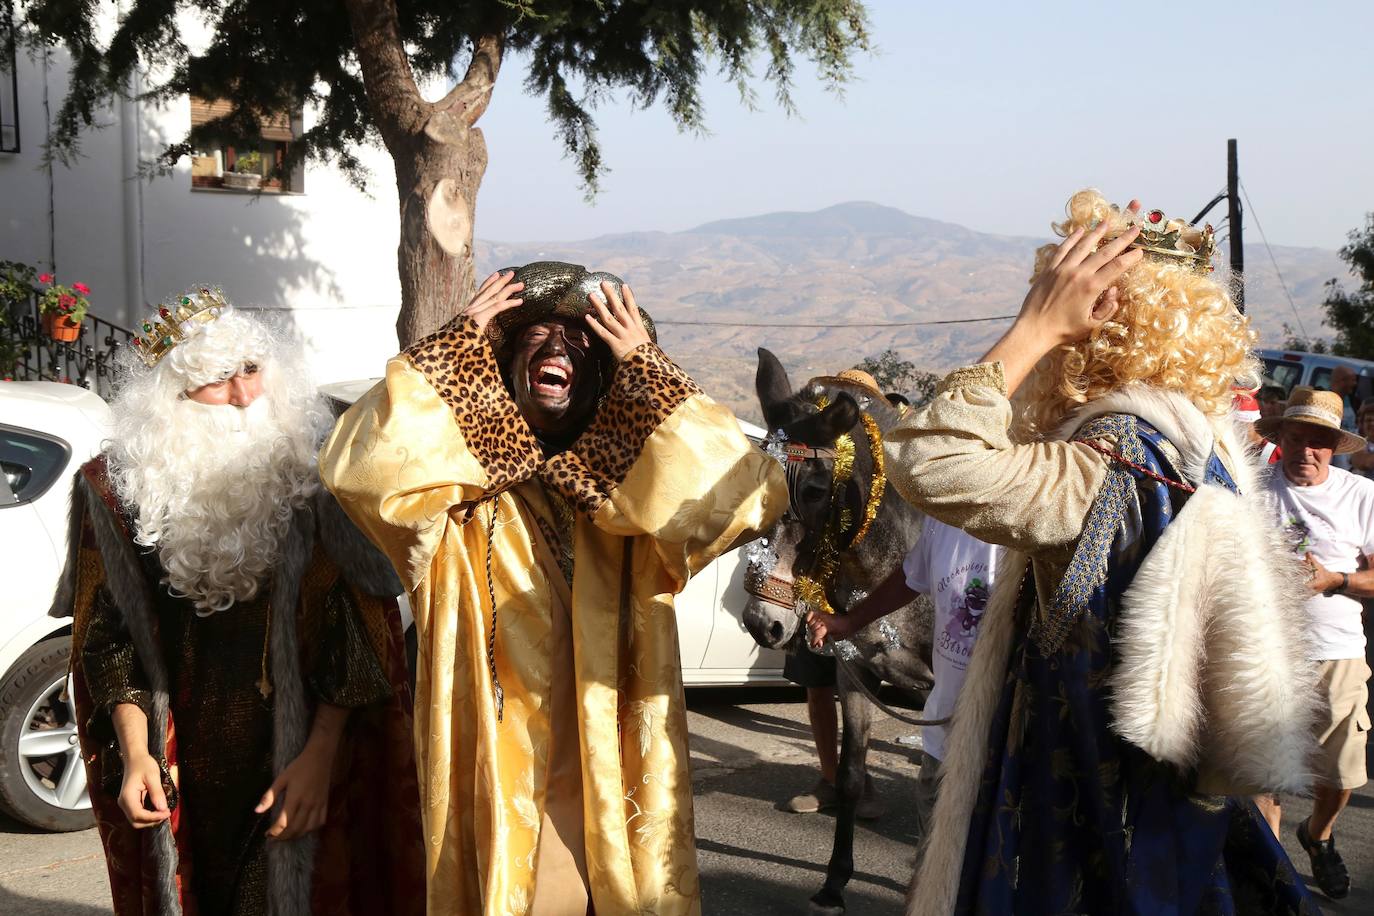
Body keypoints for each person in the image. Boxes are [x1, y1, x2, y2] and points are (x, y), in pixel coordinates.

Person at [888, 191, 1319, 916]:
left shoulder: (1109, 459)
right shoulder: (1201, 449)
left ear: (1097, 320)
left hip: (1089, 816)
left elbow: (929, 459)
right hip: (1171, 812)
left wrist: (1033, 330)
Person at [320, 262, 785, 915]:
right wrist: (458, 347)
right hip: (507, 787)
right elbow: (362, 468)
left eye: (584, 340)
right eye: (538, 333)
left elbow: (747, 491)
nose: (559, 346)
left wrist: (645, 367)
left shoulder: (631, 506)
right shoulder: (459, 501)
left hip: (618, 784)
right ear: (505, 361)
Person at [50, 290, 425, 916]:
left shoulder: (317, 472)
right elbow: (109, 637)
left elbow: (359, 624)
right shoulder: (113, 491)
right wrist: (137, 753)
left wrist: (319, 755)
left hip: (310, 752)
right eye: (218, 381)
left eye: (251, 370)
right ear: (168, 402)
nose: (246, 396)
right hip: (185, 762)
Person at [805, 516, 1001, 844]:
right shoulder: (944, 519)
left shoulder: (1025, 529)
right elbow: (911, 577)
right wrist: (851, 621)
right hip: (943, 739)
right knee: (931, 862)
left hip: (1001, 742)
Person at [1252, 386, 1374, 899]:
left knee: (1343, 773)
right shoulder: (1249, 488)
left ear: (1333, 445)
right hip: (1264, 652)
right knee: (1262, 775)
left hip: (1337, 651)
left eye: (1319, 441)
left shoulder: (1360, 494)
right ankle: (1272, 872)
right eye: (1298, 438)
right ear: (1280, 438)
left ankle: (1317, 835)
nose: (1308, 450)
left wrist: (1336, 581)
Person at [1351, 401, 1374, 479]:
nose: (1372, 423)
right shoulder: (1358, 443)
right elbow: (1362, 463)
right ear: (1362, 424)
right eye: (1368, 420)